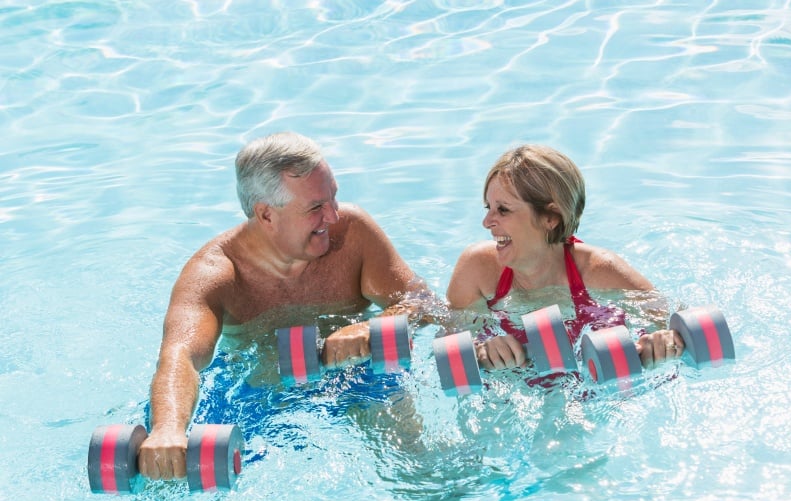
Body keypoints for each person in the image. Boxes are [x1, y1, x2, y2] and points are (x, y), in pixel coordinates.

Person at [138, 132, 430, 481]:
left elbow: (423, 303)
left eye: (333, 198)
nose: (334, 216)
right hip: (261, 397)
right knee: (175, 474)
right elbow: (180, 355)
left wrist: (369, 328)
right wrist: (167, 429)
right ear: (265, 215)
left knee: (418, 469)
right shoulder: (216, 273)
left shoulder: (354, 235)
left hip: (360, 377)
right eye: (315, 208)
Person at [446, 143, 683, 372]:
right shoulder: (477, 270)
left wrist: (661, 343)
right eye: (488, 207)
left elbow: (675, 323)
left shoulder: (600, 270)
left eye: (503, 210)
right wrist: (479, 353)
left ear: (551, 217)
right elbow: (448, 346)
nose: (487, 222)